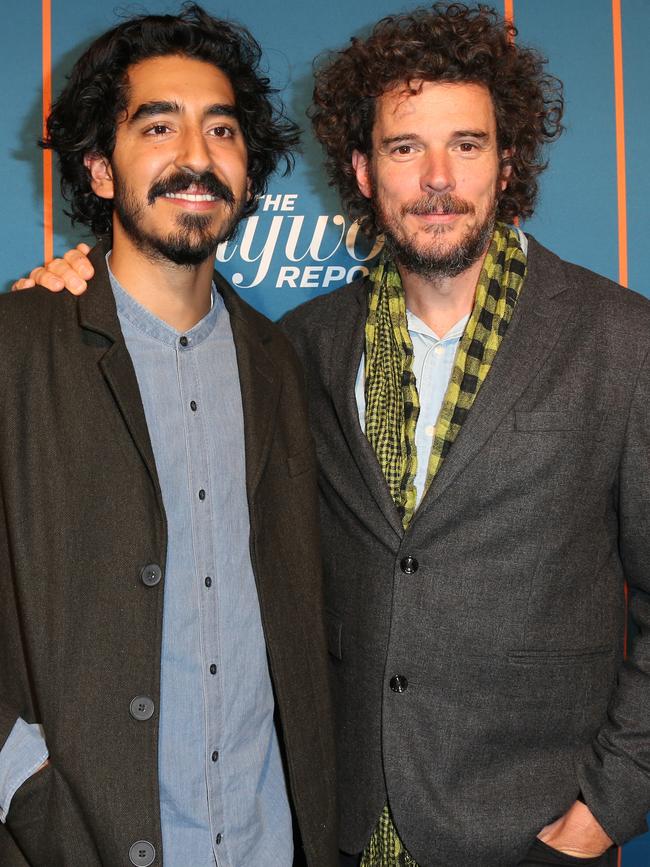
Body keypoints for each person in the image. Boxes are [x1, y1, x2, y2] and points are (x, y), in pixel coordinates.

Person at [16, 3, 650, 867]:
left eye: (467, 144)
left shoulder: (620, 338)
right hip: (339, 829)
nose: (436, 177)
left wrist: (604, 811)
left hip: (534, 838)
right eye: (403, 148)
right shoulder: (304, 347)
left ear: (508, 165)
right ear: (360, 169)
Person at [0, 5, 337, 867]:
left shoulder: (283, 364)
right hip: (77, 841)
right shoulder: (16, 347)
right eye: (159, 125)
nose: (197, 154)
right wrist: (20, 781)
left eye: (221, 129)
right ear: (100, 170)